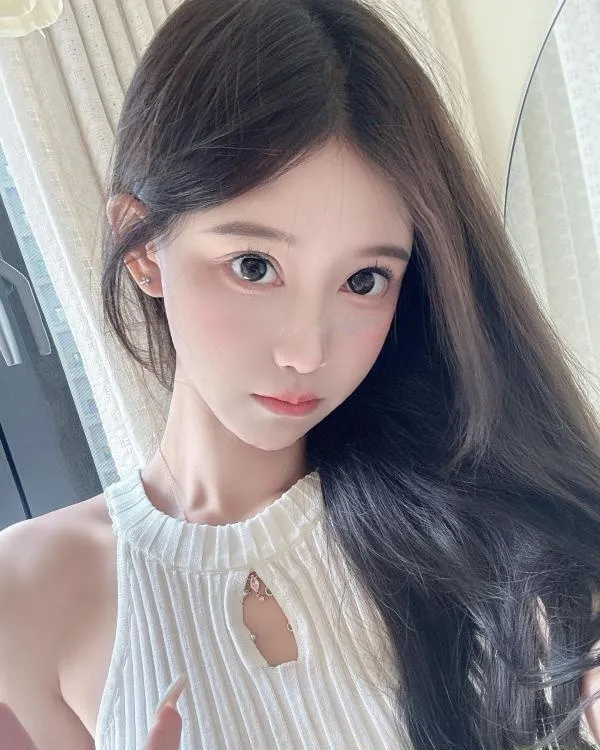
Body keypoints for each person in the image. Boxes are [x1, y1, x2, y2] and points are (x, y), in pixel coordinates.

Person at [2, 0, 600, 747]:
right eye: (255, 266)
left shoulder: (487, 529)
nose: (307, 352)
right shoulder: (29, 594)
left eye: (363, 280)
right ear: (144, 245)